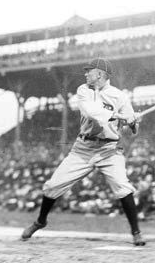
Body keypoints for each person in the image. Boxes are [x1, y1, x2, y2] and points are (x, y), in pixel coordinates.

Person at [21, 57, 146, 246]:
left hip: (109, 149)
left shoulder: (120, 96)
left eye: (89, 71)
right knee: (52, 186)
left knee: (123, 187)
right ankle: (41, 221)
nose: (86, 73)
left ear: (100, 74)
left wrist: (133, 122)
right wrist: (120, 115)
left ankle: (136, 232)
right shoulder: (83, 90)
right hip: (83, 148)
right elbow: (91, 112)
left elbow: (131, 130)